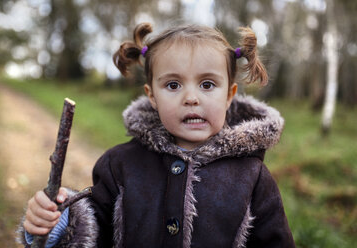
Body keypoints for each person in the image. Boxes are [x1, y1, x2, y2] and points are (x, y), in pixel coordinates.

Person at [18, 22, 295, 248]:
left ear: (229, 96)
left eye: (207, 84)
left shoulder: (253, 177)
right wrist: (56, 224)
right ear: (152, 96)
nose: (191, 98)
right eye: (173, 85)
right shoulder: (119, 165)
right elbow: (91, 233)